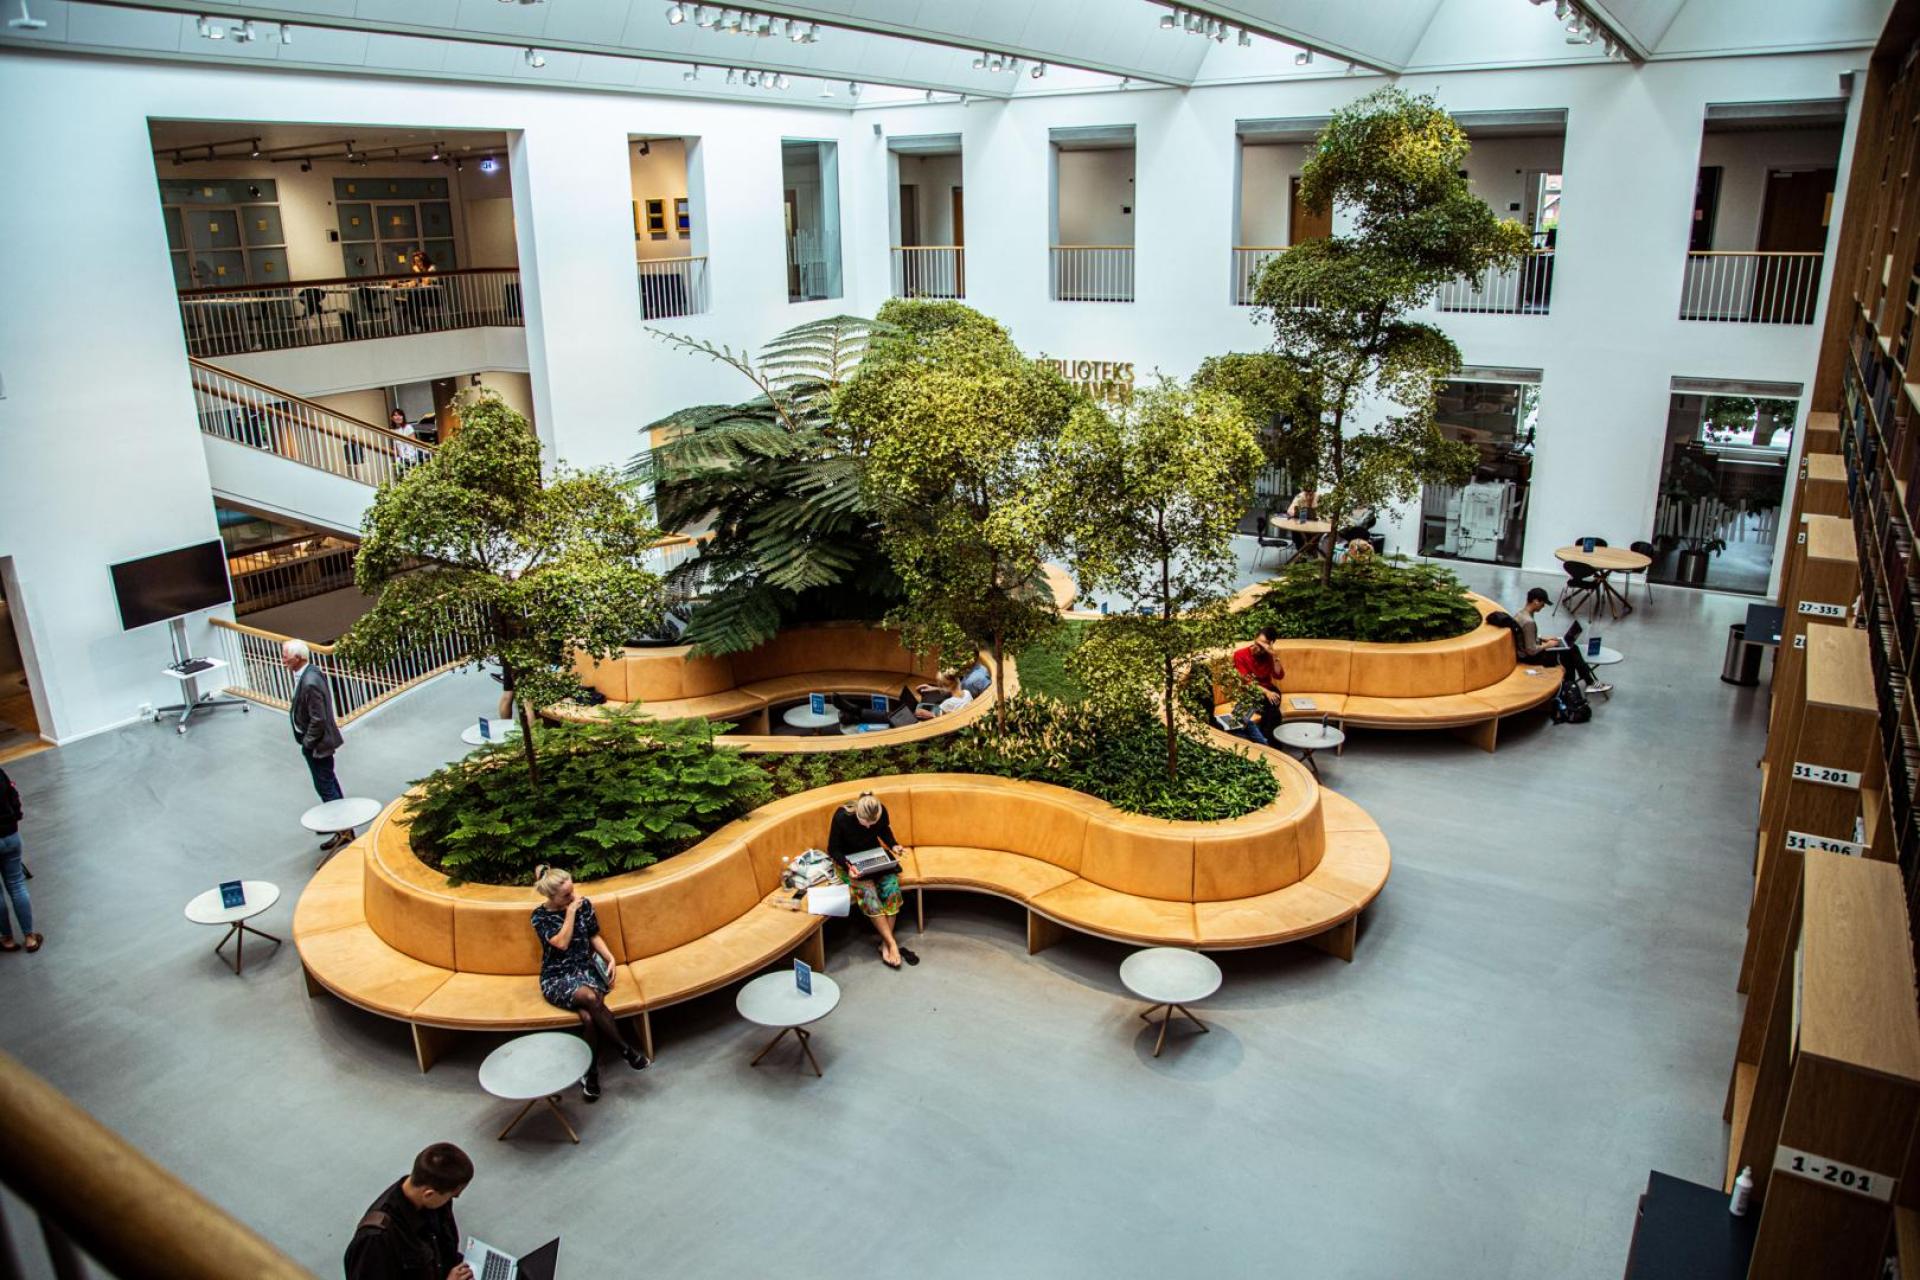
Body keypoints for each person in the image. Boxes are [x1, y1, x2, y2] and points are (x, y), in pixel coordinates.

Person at [531, 865, 647, 1103]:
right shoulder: (540, 917)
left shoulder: (584, 905)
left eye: (573, 892)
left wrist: (610, 957)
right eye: (566, 896)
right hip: (558, 976)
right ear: (550, 897)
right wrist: (571, 912)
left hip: (587, 969)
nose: (573, 897)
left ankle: (591, 1075)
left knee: (588, 1018)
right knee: (592, 999)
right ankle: (625, 1049)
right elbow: (561, 943)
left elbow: (593, 935)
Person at [343, 1142, 474, 1280]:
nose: (451, 1200)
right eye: (452, 1196)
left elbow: (445, 1252)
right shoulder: (376, 1240)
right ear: (429, 1194)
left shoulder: (435, 1202)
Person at [826, 792, 916, 969]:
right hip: (848, 862)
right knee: (869, 894)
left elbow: (884, 831)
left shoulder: (880, 811)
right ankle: (892, 944)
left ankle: (885, 943)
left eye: (872, 823)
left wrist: (894, 845)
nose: (869, 827)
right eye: (865, 822)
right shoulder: (842, 817)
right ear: (857, 813)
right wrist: (847, 866)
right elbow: (833, 849)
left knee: (892, 888)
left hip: (875, 856)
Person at [283, 639, 350, 849]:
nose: (283, 659)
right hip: (317, 743)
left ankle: (344, 830)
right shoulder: (310, 673)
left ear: (298, 658)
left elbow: (318, 718)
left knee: (326, 786)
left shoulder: (309, 682)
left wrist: (308, 743)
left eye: (285, 655)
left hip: (318, 745)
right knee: (328, 781)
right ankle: (339, 824)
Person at [1510, 587, 1612, 696]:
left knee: (1569, 650)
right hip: (1532, 658)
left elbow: (1524, 637)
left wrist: (1542, 638)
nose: (1543, 606)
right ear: (1536, 601)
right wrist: (1547, 645)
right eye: (1542, 604)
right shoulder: (1529, 622)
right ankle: (1586, 683)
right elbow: (1531, 650)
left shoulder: (1521, 615)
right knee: (1571, 649)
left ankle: (1575, 684)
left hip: (1526, 653)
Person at [0, 766, 38, 954]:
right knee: (17, 885)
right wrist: (15, 818)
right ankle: (30, 937)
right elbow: (14, 796)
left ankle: (7, 938)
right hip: (10, 835)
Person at [1231, 627, 1287, 745]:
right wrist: (1266, 692)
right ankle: (1270, 745)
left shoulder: (1269, 656)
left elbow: (1279, 675)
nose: (1258, 648)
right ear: (1255, 639)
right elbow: (1247, 681)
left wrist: (1274, 656)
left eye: (1263, 646)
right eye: (1257, 643)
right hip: (1251, 692)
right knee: (1274, 715)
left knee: (1272, 713)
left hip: (1270, 691)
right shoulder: (1240, 655)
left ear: (1270, 645)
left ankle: (1266, 745)